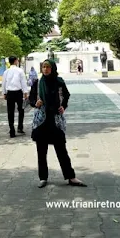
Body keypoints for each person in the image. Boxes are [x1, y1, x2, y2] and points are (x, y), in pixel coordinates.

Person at [31, 59, 87, 188]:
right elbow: (31, 98)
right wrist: (35, 103)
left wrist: (63, 106)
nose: (45, 69)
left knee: (61, 149)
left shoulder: (59, 82)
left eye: (48, 67)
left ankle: (71, 177)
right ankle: (43, 178)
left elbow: (66, 95)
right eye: (43, 67)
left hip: (55, 120)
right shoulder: (38, 82)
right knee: (41, 151)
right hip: (41, 121)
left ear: (53, 68)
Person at [2, 56, 29, 138]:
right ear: (15, 61)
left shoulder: (6, 72)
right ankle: (20, 127)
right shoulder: (20, 71)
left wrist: (4, 93)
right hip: (18, 92)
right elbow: (23, 82)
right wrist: (25, 92)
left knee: (10, 112)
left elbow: (4, 83)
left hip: (9, 93)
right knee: (21, 110)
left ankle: (12, 130)